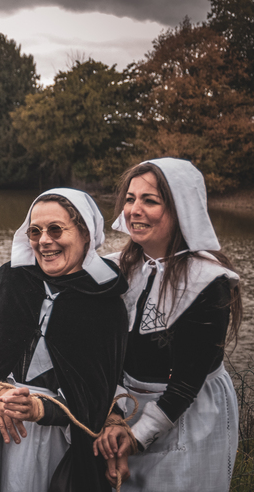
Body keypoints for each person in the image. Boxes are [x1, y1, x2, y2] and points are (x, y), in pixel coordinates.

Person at [0, 188, 130, 492]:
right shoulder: (11, 281)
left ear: (86, 234)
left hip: (57, 443)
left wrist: (40, 409)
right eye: (35, 231)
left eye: (55, 229)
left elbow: (96, 392)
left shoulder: (105, 304)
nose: (44, 240)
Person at [93, 158, 242, 491]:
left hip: (188, 414)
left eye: (150, 200)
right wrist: (114, 416)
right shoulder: (114, 269)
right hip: (124, 408)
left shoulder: (208, 281)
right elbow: (107, 354)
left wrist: (135, 438)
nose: (134, 210)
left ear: (181, 209)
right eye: (130, 199)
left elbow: (186, 384)